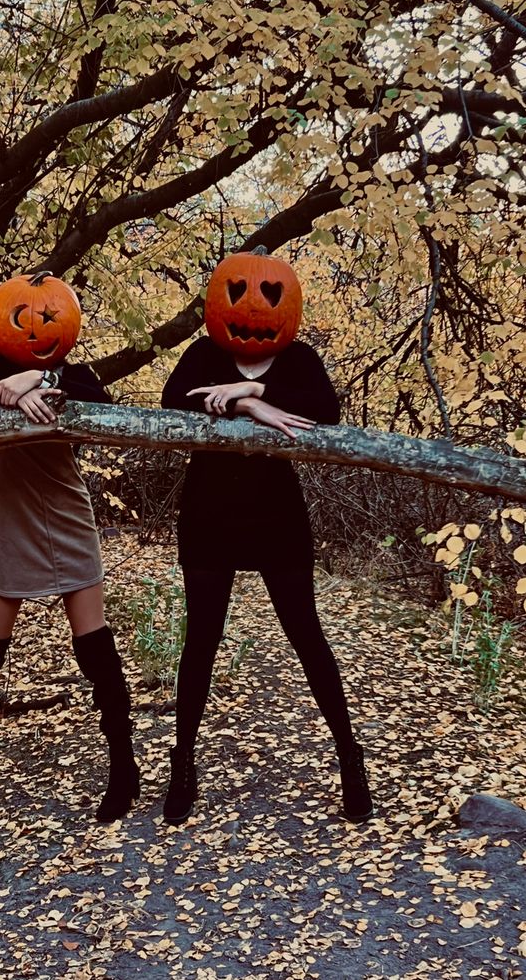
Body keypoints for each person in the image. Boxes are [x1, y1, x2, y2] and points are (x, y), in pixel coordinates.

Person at [160, 287, 373, 826]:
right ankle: (182, 762)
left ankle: (350, 756)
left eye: (268, 296)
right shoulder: (203, 353)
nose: (253, 309)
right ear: (218, 304)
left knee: (305, 632)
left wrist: (253, 385)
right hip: (209, 507)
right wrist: (252, 404)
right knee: (202, 637)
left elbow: (324, 409)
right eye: (239, 294)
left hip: (276, 511)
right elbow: (170, 403)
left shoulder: (299, 357)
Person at [0, 352, 139, 829]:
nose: (34, 329)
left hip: (66, 512)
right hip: (9, 514)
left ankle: (124, 766)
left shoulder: (73, 374)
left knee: (94, 645)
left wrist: (41, 378)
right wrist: (4, 393)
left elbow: (102, 404)